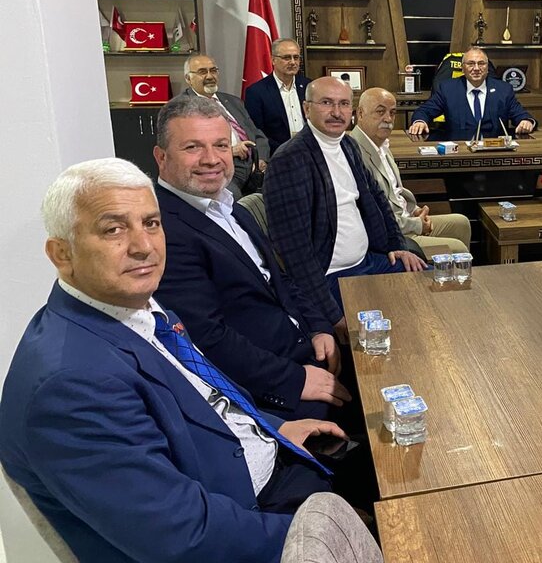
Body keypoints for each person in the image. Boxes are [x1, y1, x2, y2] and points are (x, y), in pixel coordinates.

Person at [0, 158, 350, 562]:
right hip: (250, 518)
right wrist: (320, 534)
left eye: (151, 223)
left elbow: (204, 398)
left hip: (269, 467)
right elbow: (184, 538)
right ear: (62, 254)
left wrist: (274, 427)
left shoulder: (139, 309)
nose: (143, 246)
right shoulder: (69, 385)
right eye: (113, 229)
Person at [153, 95, 350, 420]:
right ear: (161, 157)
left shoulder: (231, 208)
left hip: (306, 348)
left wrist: (319, 327)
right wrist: (295, 380)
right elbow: (206, 339)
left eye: (220, 145)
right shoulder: (162, 230)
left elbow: (280, 281)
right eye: (192, 147)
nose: (211, 159)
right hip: (264, 389)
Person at [264, 77, 426, 326]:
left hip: (369, 262)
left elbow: (378, 199)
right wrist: (333, 315)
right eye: (326, 103)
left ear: (352, 110)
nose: (336, 112)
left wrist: (397, 246)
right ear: (307, 108)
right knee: (401, 325)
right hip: (331, 279)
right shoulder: (288, 160)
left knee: (435, 286)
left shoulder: (348, 145)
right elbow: (295, 252)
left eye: (343, 104)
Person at [351, 87, 471, 255]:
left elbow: (396, 192)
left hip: (405, 219)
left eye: (392, 112)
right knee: (457, 249)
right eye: (380, 111)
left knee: (461, 223)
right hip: (393, 236)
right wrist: (417, 225)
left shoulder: (381, 144)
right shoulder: (355, 153)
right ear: (360, 113)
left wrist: (414, 210)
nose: (388, 119)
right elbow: (375, 218)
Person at [178, 54, 270, 198]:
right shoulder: (181, 107)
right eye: (202, 72)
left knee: (284, 188)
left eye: (213, 70)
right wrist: (229, 151)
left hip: (254, 166)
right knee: (233, 198)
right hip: (218, 169)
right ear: (188, 79)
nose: (210, 76)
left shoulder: (233, 101)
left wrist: (261, 160)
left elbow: (258, 135)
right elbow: (188, 149)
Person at [408, 46, 535, 139]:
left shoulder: (503, 89)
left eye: (481, 64)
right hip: (460, 152)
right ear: (463, 68)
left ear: (487, 68)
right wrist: (420, 121)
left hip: (494, 151)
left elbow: (521, 114)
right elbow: (424, 111)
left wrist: (526, 121)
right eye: (471, 64)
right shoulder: (448, 89)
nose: (476, 68)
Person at [244, 38, 311, 154]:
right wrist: (285, 150)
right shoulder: (256, 92)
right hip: (277, 154)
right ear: (273, 60)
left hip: (310, 152)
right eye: (287, 58)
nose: (293, 62)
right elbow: (257, 132)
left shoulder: (309, 86)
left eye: (296, 57)